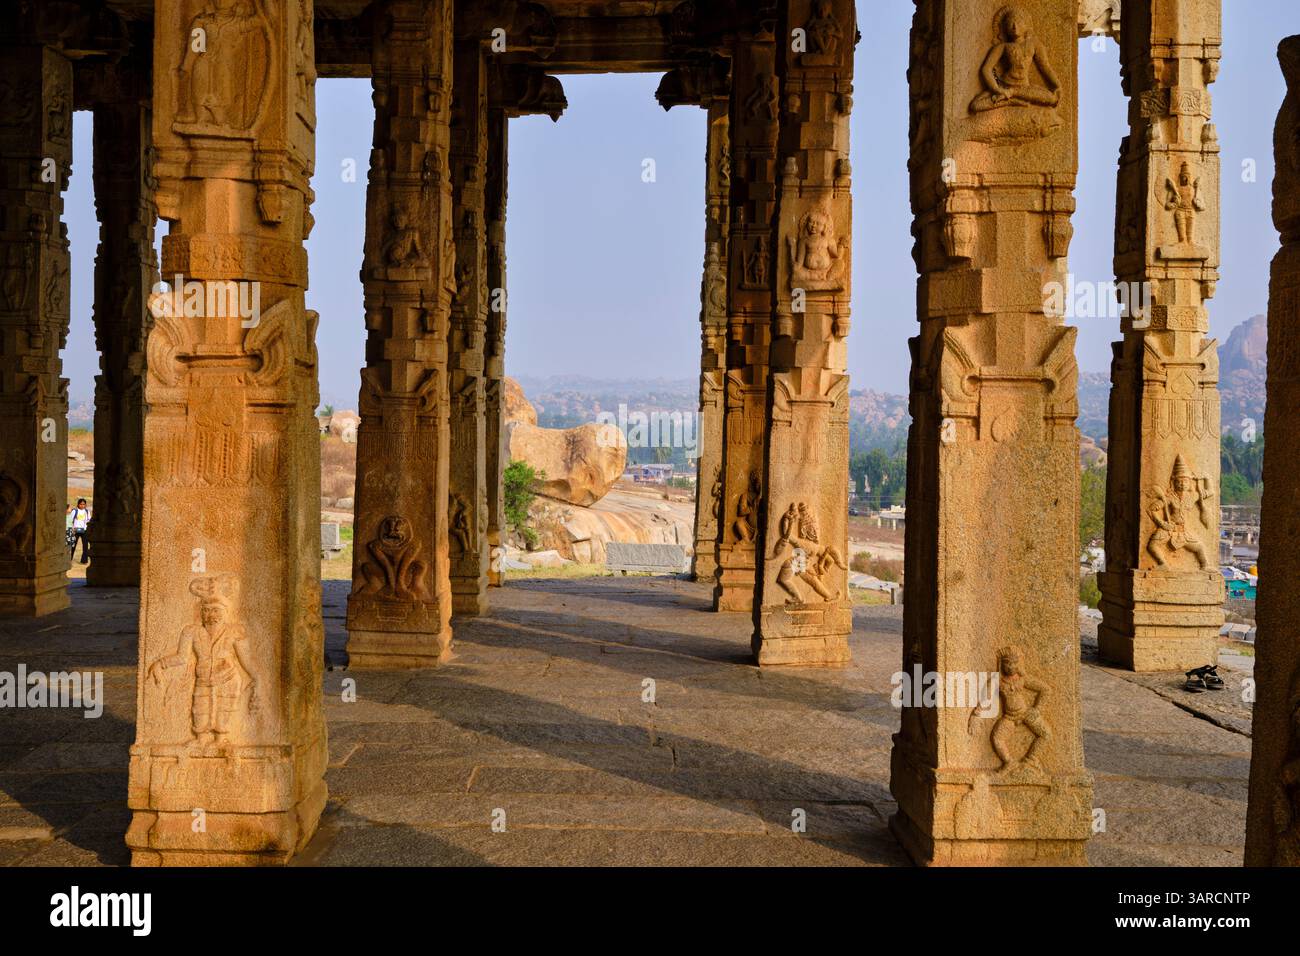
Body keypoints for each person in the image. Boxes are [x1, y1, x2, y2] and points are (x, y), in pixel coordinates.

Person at [68, 498, 90, 564]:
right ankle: (69, 560)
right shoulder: (74, 511)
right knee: (73, 546)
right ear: (78, 504)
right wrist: (72, 529)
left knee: (85, 546)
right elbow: (70, 520)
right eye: (81, 504)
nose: (82, 505)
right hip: (75, 531)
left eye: (84, 504)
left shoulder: (87, 511)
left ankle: (84, 561)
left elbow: (88, 520)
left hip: (84, 530)